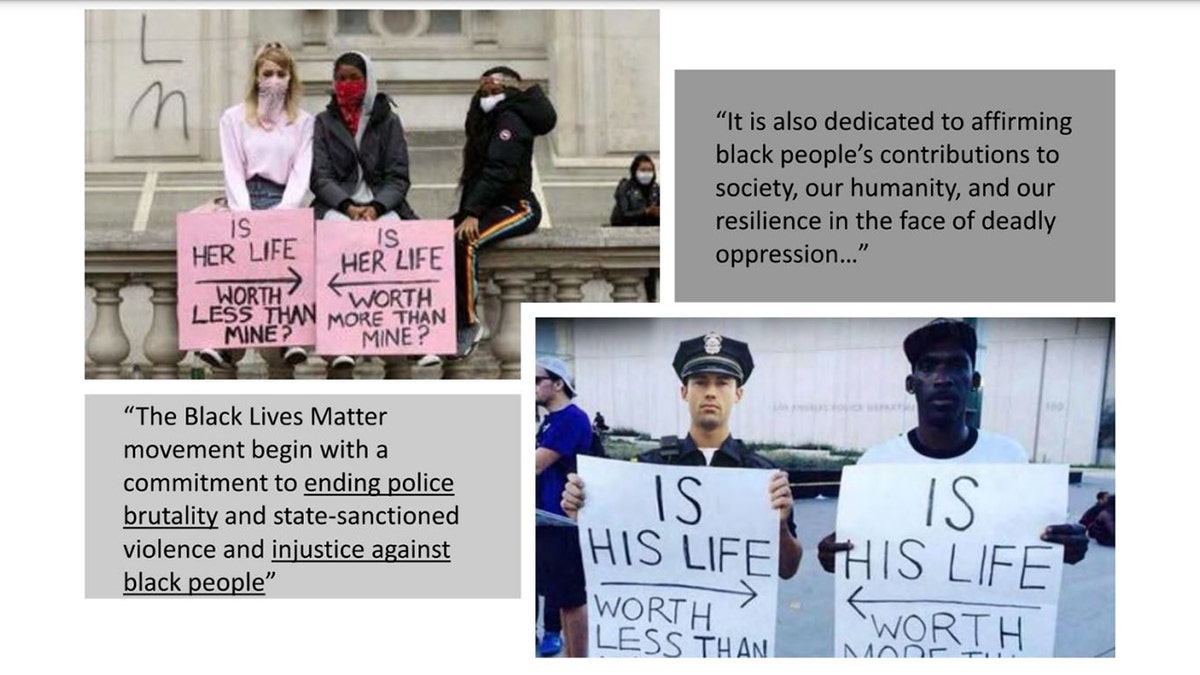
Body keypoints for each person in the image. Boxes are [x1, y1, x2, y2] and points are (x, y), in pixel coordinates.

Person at [817, 319, 1089, 573]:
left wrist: (1068, 543)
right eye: (928, 366)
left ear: (975, 381)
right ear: (911, 384)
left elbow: (1041, 537)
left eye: (957, 365)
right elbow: (855, 548)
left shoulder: (1008, 458)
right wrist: (834, 555)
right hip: (900, 623)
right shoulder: (875, 464)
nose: (942, 378)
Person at [562, 332, 803, 580]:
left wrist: (780, 526)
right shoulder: (648, 468)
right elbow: (612, 543)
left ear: (738, 394)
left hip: (736, 612)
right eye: (700, 382)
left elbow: (787, 569)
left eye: (722, 383)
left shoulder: (762, 475)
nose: (711, 392)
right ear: (684, 392)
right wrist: (584, 512)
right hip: (667, 611)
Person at [202, 41, 313, 371]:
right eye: (268, 73)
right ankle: (219, 341)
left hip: (285, 201)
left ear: (291, 77)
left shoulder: (304, 122)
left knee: (290, 269)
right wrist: (245, 215)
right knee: (229, 269)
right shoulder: (233, 119)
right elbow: (232, 168)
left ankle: (292, 336)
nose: (275, 80)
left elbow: (302, 170)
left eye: (281, 73)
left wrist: (284, 212)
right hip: (246, 199)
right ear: (256, 77)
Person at [310, 51, 420, 370]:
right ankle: (341, 340)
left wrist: (375, 206)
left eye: (353, 78)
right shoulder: (323, 121)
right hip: (338, 206)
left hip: (381, 204)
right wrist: (347, 206)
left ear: (367, 80)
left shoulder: (388, 121)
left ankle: (405, 335)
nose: (346, 84)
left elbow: (399, 177)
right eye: (341, 78)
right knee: (333, 244)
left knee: (396, 240)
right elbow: (319, 176)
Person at [453, 66, 556, 358]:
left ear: (510, 91)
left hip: (518, 206)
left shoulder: (511, 120)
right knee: (440, 236)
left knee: (466, 240)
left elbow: (499, 170)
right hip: (490, 206)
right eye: (483, 91)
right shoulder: (487, 120)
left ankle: (468, 323)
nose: (487, 96)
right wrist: (465, 213)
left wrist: (472, 213)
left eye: (495, 91)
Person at [535, 356, 591, 658]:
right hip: (546, 518)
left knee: (570, 598)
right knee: (558, 595)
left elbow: (535, 465)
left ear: (558, 384)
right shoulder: (551, 421)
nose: (530, 386)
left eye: (536, 380)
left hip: (564, 520)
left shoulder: (571, 418)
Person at [609, 153, 660, 227]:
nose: (646, 173)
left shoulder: (656, 189)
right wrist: (646, 212)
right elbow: (624, 214)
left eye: (649, 170)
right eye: (643, 170)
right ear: (635, 171)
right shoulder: (625, 188)